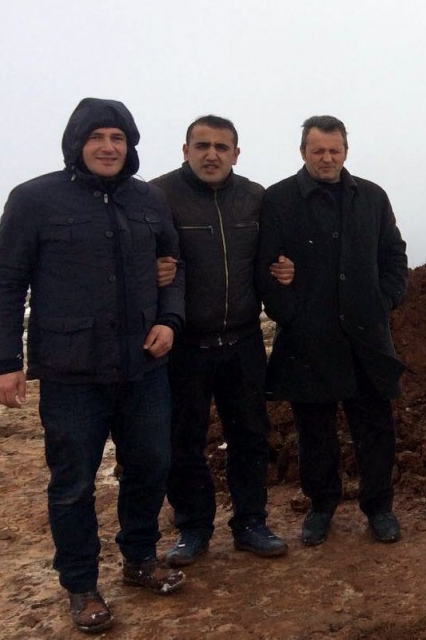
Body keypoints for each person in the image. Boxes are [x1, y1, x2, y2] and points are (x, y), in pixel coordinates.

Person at [0, 98, 187, 635]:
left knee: (150, 465)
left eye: (118, 138)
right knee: (73, 483)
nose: (108, 147)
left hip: (143, 368)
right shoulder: (34, 200)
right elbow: (5, 282)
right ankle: (81, 585)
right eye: (97, 137)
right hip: (71, 373)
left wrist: (170, 319)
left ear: (131, 146)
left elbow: (173, 267)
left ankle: (140, 558)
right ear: (77, 143)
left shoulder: (150, 199)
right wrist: (6, 362)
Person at [256, 115, 409, 547]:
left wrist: (384, 301)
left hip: (366, 337)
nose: (327, 158)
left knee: (376, 427)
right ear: (303, 151)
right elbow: (267, 268)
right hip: (309, 338)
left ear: (346, 151)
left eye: (334, 150)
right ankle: (321, 507)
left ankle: (379, 508)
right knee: (315, 432)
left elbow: (394, 257)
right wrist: (291, 314)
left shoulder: (372, 197)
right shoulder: (280, 199)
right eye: (317, 150)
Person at [151, 116, 291, 567]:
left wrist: (285, 271)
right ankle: (193, 529)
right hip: (185, 345)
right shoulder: (159, 195)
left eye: (222, 147)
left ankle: (251, 523)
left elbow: (273, 254)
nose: (212, 154)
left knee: (250, 435)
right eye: (203, 145)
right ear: (186, 149)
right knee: (183, 440)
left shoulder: (255, 197)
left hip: (244, 340)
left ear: (236, 152)